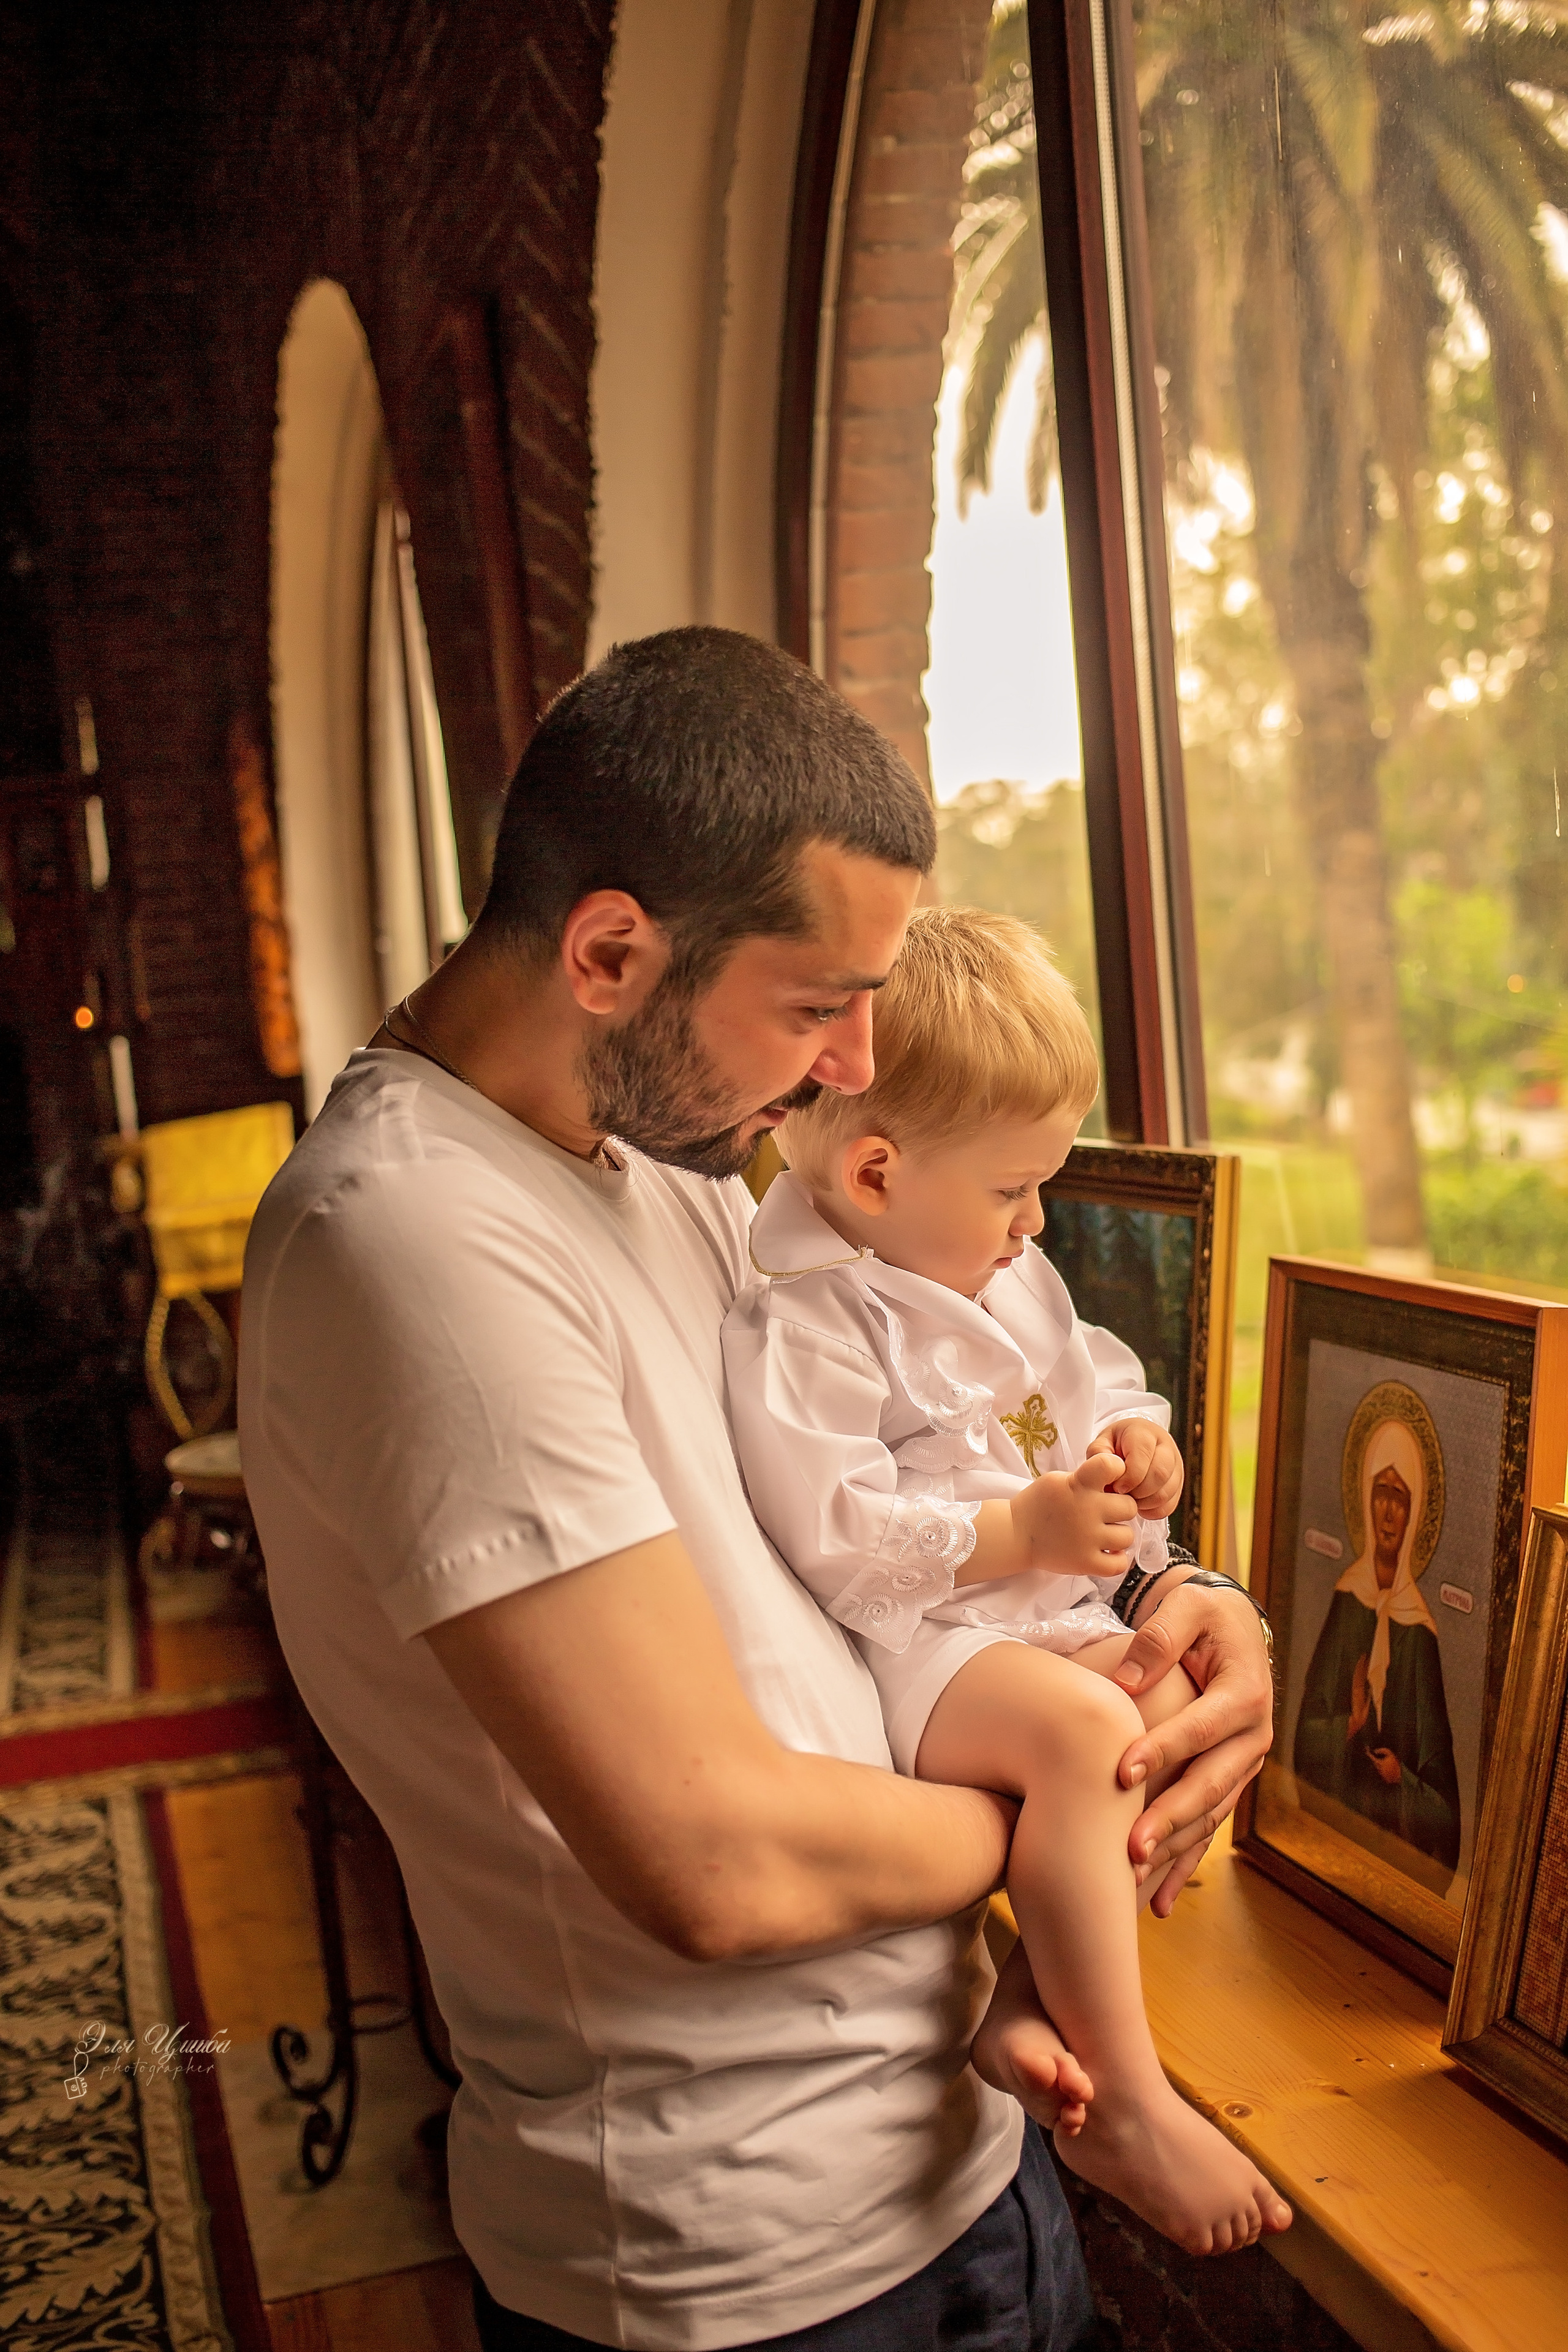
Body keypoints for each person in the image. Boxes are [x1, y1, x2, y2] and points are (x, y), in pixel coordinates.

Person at [239, 627, 1280, 2352]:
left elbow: (925, 1450)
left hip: (964, 2153)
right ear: (609, 952)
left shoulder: (675, 1184)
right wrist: (1069, 1798)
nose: (858, 1065)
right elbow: (710, 1856)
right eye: (818, 1005)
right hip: (745, 2267)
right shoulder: (412, 1245)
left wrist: (1187, 1600)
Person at [723, 908, 1290, 2258]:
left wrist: (1135, 1449)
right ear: (872, 1173)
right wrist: (1017, 1537)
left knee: (1149, 1713)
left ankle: (1028, 2005)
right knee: (1094, 1730)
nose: (1034, 1221)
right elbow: (836, 1536)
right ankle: (1135, 2104)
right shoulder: (806, 1318)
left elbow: (1089, 1385)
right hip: (930, 1647)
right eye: (1008, 1189)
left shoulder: (1002, 1271)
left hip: (1032, 1626)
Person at [1294, 1408, 1460, 1887]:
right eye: (1381, 1493)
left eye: (1401, 1498)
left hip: (1396, 1857)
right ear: (1365, 1500)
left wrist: (1401, 1781)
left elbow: (1445, 1810)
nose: (1388, 1511)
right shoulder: (1348, 1601)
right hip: (1331, 1848)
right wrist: (1350, 1725)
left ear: (1416, 1512)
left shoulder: (1419, 1631)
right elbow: (1301, 1743)